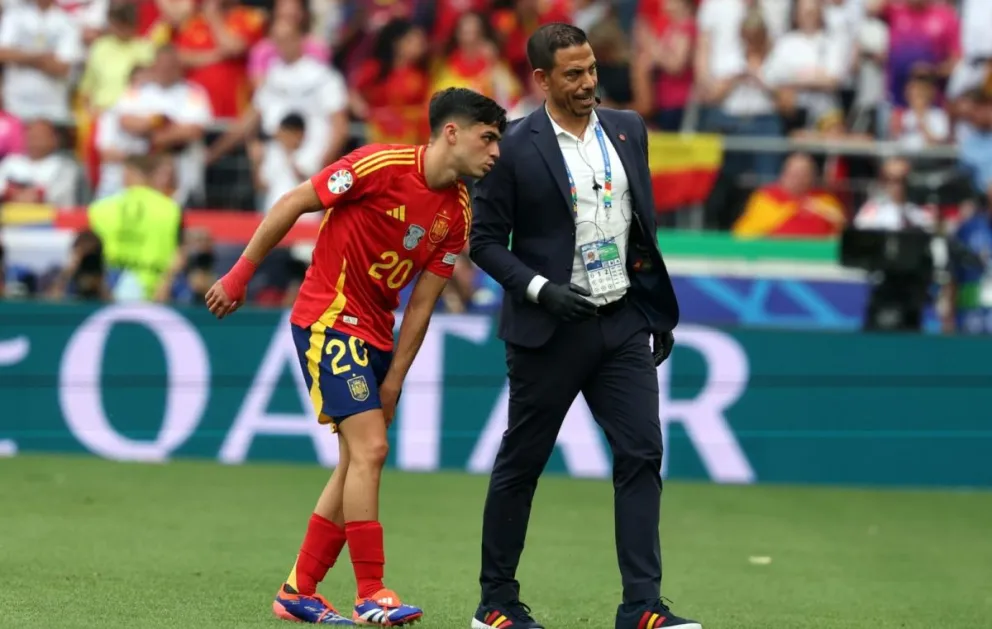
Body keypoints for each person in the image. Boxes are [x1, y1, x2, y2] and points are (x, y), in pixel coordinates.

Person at [205, 87, 506, 627]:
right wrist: (240, 274)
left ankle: (299, 590)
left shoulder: (458, 213)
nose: (496, 152)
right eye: (488, 138)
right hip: (327, 317)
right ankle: (371, 592)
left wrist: (393, 382)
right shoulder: (379, 164)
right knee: (370, 449)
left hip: (377, 335)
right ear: (451, 133)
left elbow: (422, 307)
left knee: (354, 462)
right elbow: (294, 202)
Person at [469, 23, 700, 629]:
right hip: (549, 328)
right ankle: (496, 604)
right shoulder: (512, 146)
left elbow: (638, 226)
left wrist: (653, 308)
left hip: (621, 320)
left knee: (642, 453)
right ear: (541, 79)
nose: (588, 82)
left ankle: (642, 608)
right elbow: (485, 243)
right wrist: (542, 290)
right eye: (573, 73)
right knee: (523, 463)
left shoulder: (629, 129)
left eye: (592, 68)